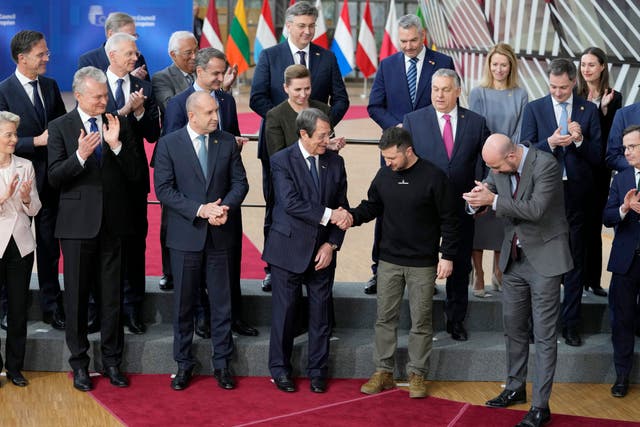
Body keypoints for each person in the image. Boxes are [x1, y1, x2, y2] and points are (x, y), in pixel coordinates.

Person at [463, 133, 572, 427]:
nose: (493, 173)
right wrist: (475, 203)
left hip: (545, 260)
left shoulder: (545, 165)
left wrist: (494, 200)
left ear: (511, 157)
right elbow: (486, 193)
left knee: (545, 335)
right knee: (512, 327)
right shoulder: (498, 163)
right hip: (513, 261)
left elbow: (536, 210)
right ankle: (514, 388)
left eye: (496, 168)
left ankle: (540, 406)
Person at [48, 66, 141, 391]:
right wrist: (80, 156)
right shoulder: (60, 126)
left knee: (112, 298)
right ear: (80, 95)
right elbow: (54, 176)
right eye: (98, 96)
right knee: (75, 299)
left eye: (106, 94)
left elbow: (135, 174)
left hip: (113, 225)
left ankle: (113, 363)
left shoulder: (119, 122)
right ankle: (80, 365)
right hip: (76, 228)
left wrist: (115, 146)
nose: (105, 100)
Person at [250, 0, 349, 292]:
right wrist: (292, 128)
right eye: (302, 26)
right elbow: (257, 98)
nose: (307, 31)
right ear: (289, 26)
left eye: (311, 26)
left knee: (319, 202)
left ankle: (313, 260)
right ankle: (274, 267)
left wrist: (320, 128)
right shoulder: (269, 56)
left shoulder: (327, 58)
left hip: (320, 151)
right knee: (277, 206)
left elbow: (340, 99)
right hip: (277, 147)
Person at [353, 127, 459, 399]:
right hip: (388, 260)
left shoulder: (434, 177)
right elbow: (372, 206)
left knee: (421, 321)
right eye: (385, 159)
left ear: (408, 151)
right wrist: (350, 217)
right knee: (384, 319)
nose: (388, 164)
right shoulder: (384, 175)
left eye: (392, 158)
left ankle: (417, 374)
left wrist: (446, 255)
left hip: (422, 263)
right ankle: (383, 371)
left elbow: (450, 219)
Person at [154, 91, 248, 391]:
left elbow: (240, 183)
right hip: (185, 238)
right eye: (208, 113)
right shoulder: (169, 144)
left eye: (216, 111)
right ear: (192, 115)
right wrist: (200, 210)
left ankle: (222, 364)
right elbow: (164, 191)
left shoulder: (226, 142)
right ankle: (183, 364)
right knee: (184, 305)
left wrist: (224, 208)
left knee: (222, 305)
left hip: (221, 235)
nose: (215, 117)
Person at [163, 47, 256, 338]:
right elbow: (173, 151)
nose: (221, 78)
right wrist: (201, 208)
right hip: (191, 209)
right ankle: (202, 318)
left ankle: (232, 318)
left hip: (224, 202)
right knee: (192, 276)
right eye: (215, 73)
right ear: (199, 72)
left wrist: (233, 149)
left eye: (222, 72)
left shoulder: (226, 101)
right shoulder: (178, 104)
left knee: (228, 268)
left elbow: (230, 139)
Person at [365, 14, 455, 295]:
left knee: (427, 212)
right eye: (403, 41)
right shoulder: (387, 65)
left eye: (413, 40)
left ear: (423, 35)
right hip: (394, 151)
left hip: (428, 152)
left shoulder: (442, 63)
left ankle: (425, 273)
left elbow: (449, 105)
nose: (408, 46)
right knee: (386, 210)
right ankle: (378, 271)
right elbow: (374, 105)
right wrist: (398, 125)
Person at [263, 108, 349, 393]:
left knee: (320, 315)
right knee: (284, 314)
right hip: (288, 249)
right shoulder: (281, 161)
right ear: (304, 134)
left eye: (329, 134)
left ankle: (317, 371)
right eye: (322, 135)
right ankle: (280, 369)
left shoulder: (335, 163)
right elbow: (290, 203)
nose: (328, 140)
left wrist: (331, 244)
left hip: (322, 252)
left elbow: (342, 206)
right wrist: (330, 216)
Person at [403, 68, 490, 341]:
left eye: (445, 89)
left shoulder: (476, 122)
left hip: (462, 208)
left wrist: (482, 188)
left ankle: (456, 320)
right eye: (435, 89)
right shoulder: (413, 121)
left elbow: (484, 161)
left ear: (457, 91)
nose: (439, 95)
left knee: (460, 265)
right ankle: (420, 322)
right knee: (422, 266)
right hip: (424, 208)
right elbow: (405, 163)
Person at [520, 58, 601, 347]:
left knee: (576, 261)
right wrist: (551, 143)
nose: (558, 92)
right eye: (553, 87)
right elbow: (525, 151)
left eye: (564, 88)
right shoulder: (534, 108)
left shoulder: (588, 110)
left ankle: (570, 324)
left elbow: (598, 156)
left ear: (573, 83)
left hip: (577, 195)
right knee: (541, 261)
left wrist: (579, 141)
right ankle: (537, 325)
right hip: (544, 195)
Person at [0, 30, 66, 331]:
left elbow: (62, 126)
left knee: (50, 248)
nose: (47, 58)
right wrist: (35, 141)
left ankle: (52, 307)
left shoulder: (51, 87)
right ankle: (8, 308)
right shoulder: (3, 90)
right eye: (41, 54)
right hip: (16, 186)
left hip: (50, 182)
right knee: (11, 251)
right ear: (22, 57)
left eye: (47, 52)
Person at [104, 32, 161, 334]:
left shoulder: (144, 87)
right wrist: (125, 112)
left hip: (133, 180)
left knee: (135, 246)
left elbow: (153, 134)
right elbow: (96, 127)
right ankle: (100, 309)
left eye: (136, 53)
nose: (135, 58)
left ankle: (132, 308)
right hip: (100, 181)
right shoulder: (94, 85)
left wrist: (139, 111)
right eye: (129, 53)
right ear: (112, 55)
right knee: (104, 248)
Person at [468, 43, 528, 297]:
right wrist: (493, 157)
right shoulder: (478, 92)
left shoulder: (521, 94)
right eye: (495, 64)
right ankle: (478, 274)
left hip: (510, 164)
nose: (499, 69)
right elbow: (477, 128)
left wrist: (507, 158)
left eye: (504, 64)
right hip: (483, 162)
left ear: (511, 66)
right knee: (480, 219)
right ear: (489, 66)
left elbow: (520, 131)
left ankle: (499, 271)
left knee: (504, 220)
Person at [0, 111, 42, 387]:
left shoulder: (25, 165)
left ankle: (15, 367)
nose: (15, 139)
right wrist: (4, 197)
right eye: (9, 134)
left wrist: (26, 199)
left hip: (20, 245)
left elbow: (36, 208)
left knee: (17, 310)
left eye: (16, 134)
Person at [577, 46, 622, 298]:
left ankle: (593, 279)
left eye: (591, 64)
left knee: (594, 224)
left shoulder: (614, 97)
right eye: (583, 64)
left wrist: (603, 112)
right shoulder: (575, 94)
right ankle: (575, 278)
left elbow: (608, 137)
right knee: (576, 224)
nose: (586, 69)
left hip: (598, 171)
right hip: (575, 167)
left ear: (602, 66)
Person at [602, 125, 640, 398]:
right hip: (625, 261)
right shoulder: (621, 178)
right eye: (625, 147)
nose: (626, 152)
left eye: (633, 147)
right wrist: (624, 208)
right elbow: (607, 217)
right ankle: (621, 376)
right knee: (621, 322)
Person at [78, 12, 149, 81]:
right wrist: (130, 79)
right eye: (127, 36)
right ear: (110, 34)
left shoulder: (138, 58)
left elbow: (147, 89)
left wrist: (139, 82)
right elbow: (88, 90)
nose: (132, 39)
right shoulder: (88, 60)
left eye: (134, 35)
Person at [152, 31, 198, 118]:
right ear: (173, 55)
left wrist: (224, 88)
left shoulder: (202, 72)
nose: (194, 56)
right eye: (188, 53)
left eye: (196, 50)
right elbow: (171, 108)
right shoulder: (162, 78)